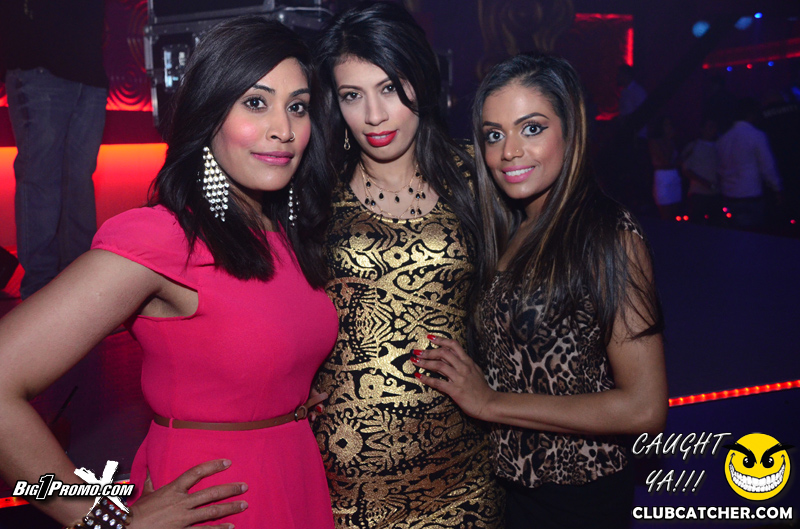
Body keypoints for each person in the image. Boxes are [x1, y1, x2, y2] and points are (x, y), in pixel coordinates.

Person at [0, 17, 337, 529]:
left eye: (298, 106)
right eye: (255, 102)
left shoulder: (289, 236)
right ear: (208, 114)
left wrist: (282, 394)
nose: (284, 130)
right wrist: (101, 519)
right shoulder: (163, 238)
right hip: (217, 507)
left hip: (297, 479)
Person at [414, 54, 668, 529]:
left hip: (578, 497)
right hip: (510, 488)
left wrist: (489, 402)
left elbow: (644, 408)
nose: (509, 151)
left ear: (571, 129)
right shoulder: (513, 227)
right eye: (494, 135)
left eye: (531, 128)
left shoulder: (607, 235)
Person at [311, 2, 504, 528]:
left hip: (462, 474)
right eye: (352, 95)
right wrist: (287, 379)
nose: (374, 115)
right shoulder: (312, 191)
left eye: (391, 88)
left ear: (421, 79)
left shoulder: (476, 176)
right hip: (345, 485)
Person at [1, 0, 108, 299]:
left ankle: (78, 287)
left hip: (88, 70)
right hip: (39, 64)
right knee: (42, 182)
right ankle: (41, 294)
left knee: (78, 184)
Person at [716, 97, 783, 230]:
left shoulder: (723, 139)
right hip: (750, 195)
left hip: (729, 195)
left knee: (733, 235)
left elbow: (720, 169)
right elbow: (768, 167)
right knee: (752, 236)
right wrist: (777, 188)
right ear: (752, 114)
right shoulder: (756, 135)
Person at [648, 115, 682, 220]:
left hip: (674, 175)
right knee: (665, 212)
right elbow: (665, 160)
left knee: (675, 210)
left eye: (670, 124)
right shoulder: (655, 142)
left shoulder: (672, 141)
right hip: (663, 176)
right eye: (666, 124)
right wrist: (668, 139)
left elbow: (679, 161)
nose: (669, 127)